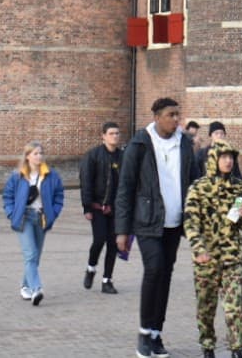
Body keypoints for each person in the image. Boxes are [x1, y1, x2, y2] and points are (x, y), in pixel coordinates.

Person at [117, 97, 202, 358]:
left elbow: (195, 181)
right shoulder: (140, 144)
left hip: (175, 222)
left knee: (165, 274)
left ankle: (156, 333)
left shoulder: (185, 143)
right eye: (170, 114)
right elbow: (125, 187)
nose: (176, 119)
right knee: (154, 269)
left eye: (178, 114)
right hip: (147, 220)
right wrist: (121, 229)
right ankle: (144, 333)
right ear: (156, 116)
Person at [184, 139, 242, 358]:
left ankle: (237, 348)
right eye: (224, 157)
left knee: (235, 306)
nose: (228, 161)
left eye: (231, 157)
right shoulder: (198, 188)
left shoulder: (238, 187)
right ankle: (207, 345)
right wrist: (199, 249)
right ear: (213, 159)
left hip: (232, 256)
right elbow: (190, 223)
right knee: (206, 307)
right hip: (206, 259)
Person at [3, 140, 65, 306]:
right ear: (28, 156)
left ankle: (25, 286)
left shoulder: (51, 175)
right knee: (30, 254)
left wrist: (54, 213)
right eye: (35, 153)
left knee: (35, 256)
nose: (39, 156)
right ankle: (37, 289)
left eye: (41, 153)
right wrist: (11, 213)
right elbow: (8, 196)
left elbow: (59, 196)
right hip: (24, 218)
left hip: (41, 218)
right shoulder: (18, 176)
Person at [82, 121, 125, 294]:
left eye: (117, 133)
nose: (115, 136)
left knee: (113, 244)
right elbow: (86, 181)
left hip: (116, 209)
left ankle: (107, 280)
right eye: (111, 133)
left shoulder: (123, 157)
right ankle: (91, 268)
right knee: (99, 240)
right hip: (98, 206)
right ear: (103, 136)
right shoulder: (93, 155)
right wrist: (87, 207)